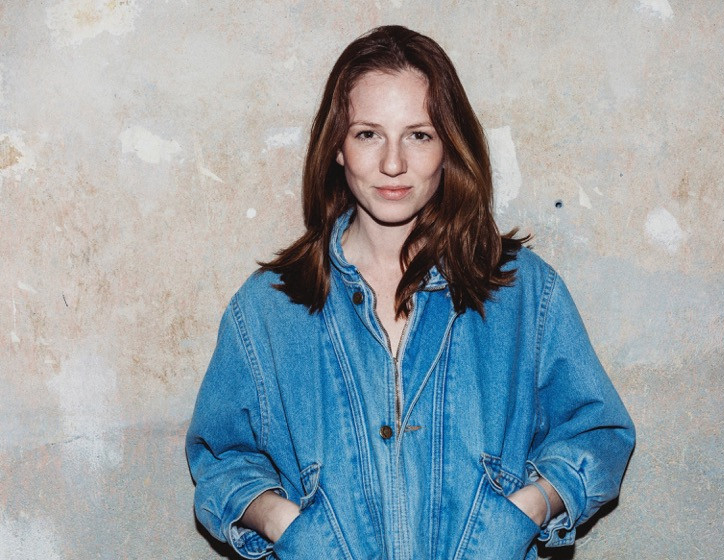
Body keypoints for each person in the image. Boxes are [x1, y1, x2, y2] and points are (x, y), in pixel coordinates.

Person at [186, 25, 635, 560]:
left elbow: (598, 431)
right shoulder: (268, 308)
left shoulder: (522, 291)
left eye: (418, 135)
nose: (393, 164)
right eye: (368, 134)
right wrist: (288, 525)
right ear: (336, 147)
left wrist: (525, 511)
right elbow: (222, 459)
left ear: (448, 146)